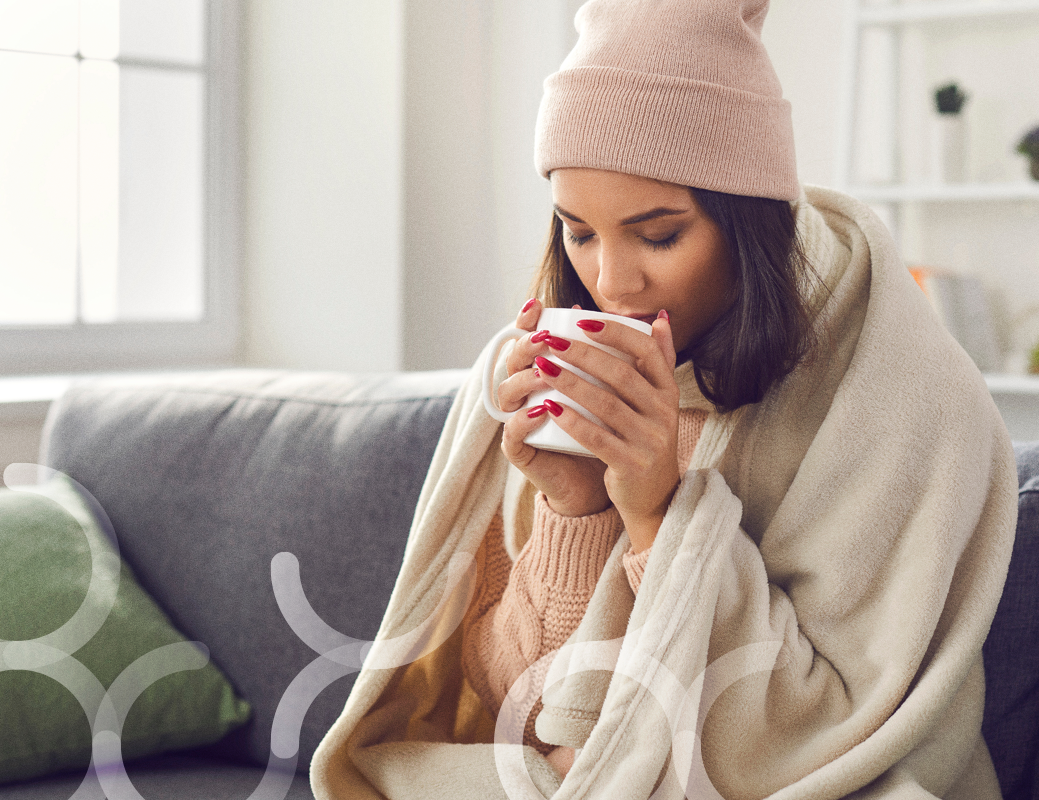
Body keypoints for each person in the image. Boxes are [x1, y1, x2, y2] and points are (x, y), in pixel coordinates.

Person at [311, 1, 1016, 798]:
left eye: (658, 235)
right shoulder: (552, 370)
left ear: (751, 222)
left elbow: (822, 727)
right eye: (578, 231)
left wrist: (660, 515)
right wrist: (574, 512)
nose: (611, 284)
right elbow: (517, 706)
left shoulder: (897, 393)